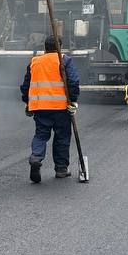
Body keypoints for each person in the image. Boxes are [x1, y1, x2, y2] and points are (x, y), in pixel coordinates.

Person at [20, 34, 80, 183]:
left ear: (45, 47)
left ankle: (36, 157)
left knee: (41, 135)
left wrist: (27, 102)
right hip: (61, 108)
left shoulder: (35, 62)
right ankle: (61, 169)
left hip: (40, 107)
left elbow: (26, 85)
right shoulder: (64, 61)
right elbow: (73, 82)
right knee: (62, 137)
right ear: (60, 47)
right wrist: (73, 101)